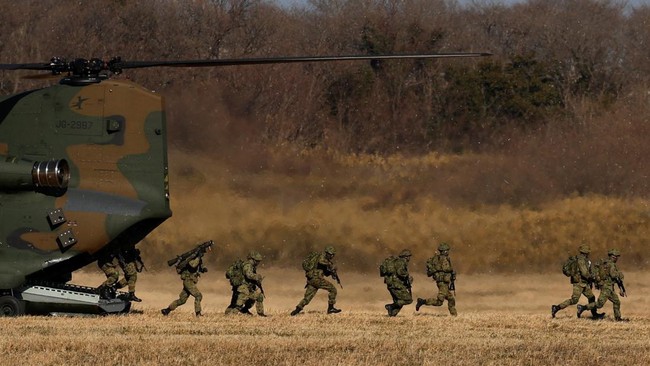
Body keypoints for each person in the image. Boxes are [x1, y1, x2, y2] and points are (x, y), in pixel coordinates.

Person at [550, 244, 604, 319]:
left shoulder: (583, 260)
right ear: (586, 252)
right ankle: (556, 308)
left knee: (591, 297)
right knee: (574, 300)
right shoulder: (581, 261)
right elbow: (585, 273)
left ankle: (593, 314)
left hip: (583, 283)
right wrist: (593, 278)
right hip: (579, 283)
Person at [290, 245, 341, 316]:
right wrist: (330, 265)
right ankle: (331, 308)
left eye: (333, 254)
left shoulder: (320, 258)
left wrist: (331, 272)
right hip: (317, 279)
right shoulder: (322, 257)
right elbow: (321, 261)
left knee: (307, 297)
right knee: (333, 290)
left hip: (311, 280)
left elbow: (325, 272)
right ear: (327, 253)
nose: (332, 256)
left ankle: (296, 311)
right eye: (331, 254)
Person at [578, 249, 627, 321]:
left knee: (616, 301)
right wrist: (620, 274)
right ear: (613, 257)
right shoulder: (611, 265)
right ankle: (582, 307)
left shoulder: (605, 263)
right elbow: (613, 275)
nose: (617, 258)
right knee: (599, 304)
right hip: (607, 287)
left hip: (607, 286)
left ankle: (618, 318)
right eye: (616, 257)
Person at [161, 248, 209, 317]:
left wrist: (202, 269)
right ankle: (198, 314)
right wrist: (198, 257)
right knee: (198, 295)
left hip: (189, 281)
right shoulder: (190, 259)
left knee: (182, 300)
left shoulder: (196, 259)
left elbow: (195, 268)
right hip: (188, 281)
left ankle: (166, 310)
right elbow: (193, 265)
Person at [416, 242, 457, 316]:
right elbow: (446, 268)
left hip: (443, 282)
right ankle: (422, 301)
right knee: (439, 302)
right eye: (447, 250)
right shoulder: (443, 259)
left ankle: (454, 315)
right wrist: (451, 271)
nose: (448, 252)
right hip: (442, 282)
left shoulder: (438, 259)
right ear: (444, 251)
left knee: (451, 299)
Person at [225, 250, 266, 317]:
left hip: (247, 287)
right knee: (240, 300)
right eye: (257, 261)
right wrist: (257, 277)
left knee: (258, 296)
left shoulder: (251, 266)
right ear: (253, 259)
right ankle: (232, 313)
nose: (258, 263)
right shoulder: (248, 265)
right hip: (242, 287)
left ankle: (259, 313)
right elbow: (248, 275)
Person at [382, 249, 413, 316]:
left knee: (399, 301)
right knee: (408, 300)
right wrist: (407, 276)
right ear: (406, 257)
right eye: (409, 256)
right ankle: (391, 306)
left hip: (392, 283)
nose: (409, 258)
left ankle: (392, 314)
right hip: (396, 284)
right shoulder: (401, 262)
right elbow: (400, 272)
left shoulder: (397, 262)